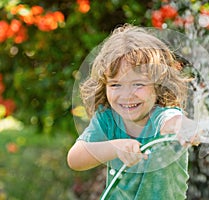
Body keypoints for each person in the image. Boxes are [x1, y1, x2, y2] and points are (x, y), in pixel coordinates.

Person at [67, 24, 202, 199]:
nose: (126, 95)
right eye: (116, 85)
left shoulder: (161, 115)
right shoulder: (108, 118)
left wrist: (186, 127)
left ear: (158, 85)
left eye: (138, 84)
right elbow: (75, 159)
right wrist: (115, 148)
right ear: (105, 85)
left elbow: (173, 122)